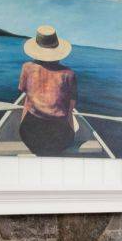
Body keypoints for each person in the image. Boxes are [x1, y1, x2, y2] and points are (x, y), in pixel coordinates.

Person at [17, 25, 77, 155]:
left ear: (36, 49)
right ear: (58, 51)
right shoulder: (69, 73)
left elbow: (24, 92)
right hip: (60, 140)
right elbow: (71, 107)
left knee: (27, 100)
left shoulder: (26, 67)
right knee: (69, 110)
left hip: (30, 137)